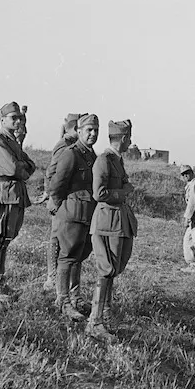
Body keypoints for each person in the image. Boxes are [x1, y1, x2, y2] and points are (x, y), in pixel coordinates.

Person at [86, 119, 138, 342]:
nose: (130, 142)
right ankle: (94, 323)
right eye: (129, 138)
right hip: (107, 221)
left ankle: (105, 313)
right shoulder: (104, 161)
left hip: (116, 221)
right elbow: (99, 193)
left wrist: (124, 189)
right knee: (105, 270)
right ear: (124, 139)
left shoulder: (117, 160)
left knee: (112, 269)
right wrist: (122, 192)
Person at [0, 101, 36, 301]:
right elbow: (14, 169)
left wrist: (22, 166)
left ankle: (0, 281)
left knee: (7, 238)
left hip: (15, 193)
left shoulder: (12, 141)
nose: (17, 121)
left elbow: (30, 165)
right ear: (2, 120)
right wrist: (22, 166)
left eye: (19, 118)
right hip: (4, 193)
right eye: (13, 118)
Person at [48, 113, 99, 321]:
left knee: (78, 256)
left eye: (96, 130)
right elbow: (57, 184)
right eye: (89, 130)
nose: (93, 134)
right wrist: (61, 208)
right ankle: (63, 300)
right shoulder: (71, 153)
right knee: (67, 257)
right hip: (71, 214)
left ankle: (75, 296)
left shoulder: (91, 155)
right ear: (78, 131)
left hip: (86, 214)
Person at [38, 113, 81, 292]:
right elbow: (52, 171)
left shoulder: (72, 144)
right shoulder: (65, 144)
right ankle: (51, 278)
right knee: (56, 238)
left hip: (67, 199)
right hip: (61, 199)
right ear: (76, 128)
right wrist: (52, 196)